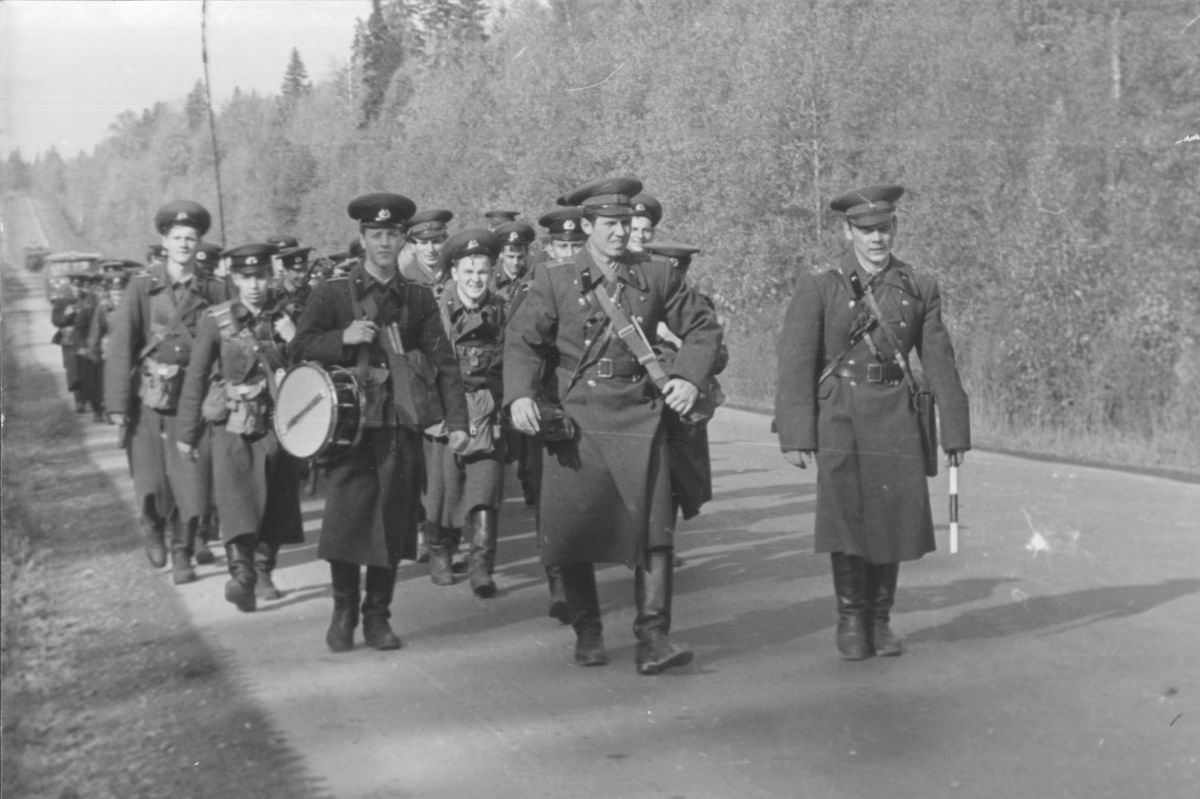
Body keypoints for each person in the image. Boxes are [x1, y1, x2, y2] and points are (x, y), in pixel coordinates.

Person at [506, 176, 723, 674]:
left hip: (640, 415)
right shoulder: (555, 279)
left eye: (626, 222)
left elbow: (703, 328)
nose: (621, 232)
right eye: (610, 224)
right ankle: (588, 631)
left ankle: (654, 638)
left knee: (655, 528)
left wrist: (688, 377)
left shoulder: (657, 273)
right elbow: (521, 342)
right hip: (577, 417)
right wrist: (519, 395)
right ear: (587, 226)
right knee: (573, 529)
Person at [774, 183, 971, 661]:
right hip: (839, 413)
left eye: (883, 228)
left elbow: (939, 359)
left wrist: (955, 430)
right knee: (846, 518)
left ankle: (880, 619)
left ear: (895, 228)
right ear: (848, 233)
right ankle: (850, 618)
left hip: (896, 414)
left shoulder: (918, 285)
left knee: (892, 517)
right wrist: (796, 434)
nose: (876, 238)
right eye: (865, 230)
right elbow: (796, 362)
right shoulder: (821, 285)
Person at [292, 192, 469, 652]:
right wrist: (342, 338)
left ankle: (377, 618)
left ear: (402, 239)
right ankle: (343, 611)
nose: (385, 243)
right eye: (376, 234)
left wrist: (458, 422)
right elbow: (301, 346)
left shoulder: (417, 299)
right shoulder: (333, 294)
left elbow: (444, 364)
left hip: (398, 426)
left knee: (391, 523)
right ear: (363, 238)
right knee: (346, 523)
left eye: (392, 234)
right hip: (349, 430)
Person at [105, 200, 230, 584]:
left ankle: (181, 551)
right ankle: (152, 525)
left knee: (190, 481)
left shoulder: (214, 289)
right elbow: (121, 345)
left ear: (199, 242)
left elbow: (229, 344)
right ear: (164, 241)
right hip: (148, 399)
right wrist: (117, 405)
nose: (184, 245)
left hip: (192, 401)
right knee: (151, 481)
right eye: (177, 238)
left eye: (190, 238)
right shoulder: (142, 287)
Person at [175, 243, 305, 612]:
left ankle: (263, 569)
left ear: (270, 276)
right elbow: (196, 377)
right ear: (234, 278)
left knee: (276, 500)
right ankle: (242, 575)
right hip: (231, 424)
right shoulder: (215, 320)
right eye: (246, 277)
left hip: (277, 423)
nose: (254, 285)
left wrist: (295, 337)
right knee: (236, 501)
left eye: (260, 276)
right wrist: (186, 433)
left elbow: (310, 369)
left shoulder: (287, 316)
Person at [424, 228, 508, 596]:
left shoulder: (502, 310)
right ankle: (440, 552)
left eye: (483, 272)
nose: (476, 279)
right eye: (468, 271)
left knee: (486, 488)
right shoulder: (434, 310)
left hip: (487, 410)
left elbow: (510, 360)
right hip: (445, 410)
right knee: (443, 489)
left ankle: (481, 565)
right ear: (454, 272)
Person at [400, 209, 453, 288]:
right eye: (423, 243)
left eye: (436, 242)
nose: (430, 249)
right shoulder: (404, 278)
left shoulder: (457, 274)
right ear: (413, 245)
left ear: (445, 242)